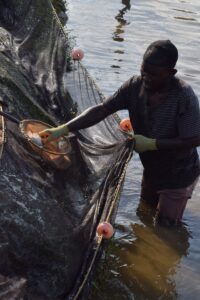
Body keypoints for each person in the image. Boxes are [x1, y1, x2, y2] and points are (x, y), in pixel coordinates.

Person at [39, 40, 200, 226]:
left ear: (170, 73)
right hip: (152, 169)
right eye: (143, 71)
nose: (146, 77)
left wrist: (152, 144)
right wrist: (63, 129)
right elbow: (102, 109)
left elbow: (194, 138)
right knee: (145, 212)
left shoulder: (183, 96)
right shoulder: (134, 86)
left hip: (178, 174)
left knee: (166, 226)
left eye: (153, 74)